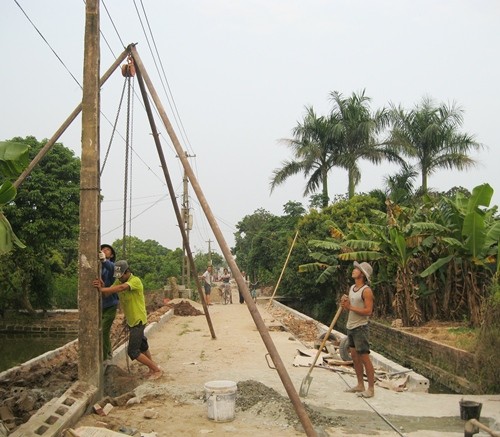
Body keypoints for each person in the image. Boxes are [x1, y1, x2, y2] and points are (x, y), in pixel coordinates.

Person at [93, 260, 162, 379]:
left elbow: (121, 288)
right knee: (143, 345)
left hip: (138, 320)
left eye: (121, 276)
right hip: (131, 320)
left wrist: (102, 289)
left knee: (133, 351)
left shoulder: (135, 281)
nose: (119, 279)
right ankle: (152, 368)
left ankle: (156, 370)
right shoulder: (119, 280)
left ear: (127, 272)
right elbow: (107, 293)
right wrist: (103, 286)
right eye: (118, 277)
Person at [341, 261, 375, 398]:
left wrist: (350, 308)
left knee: (365, 358)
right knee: (355, 357)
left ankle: (371, 388)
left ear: (362, 274)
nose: (354, 270)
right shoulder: (352, 288)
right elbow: (347, 306)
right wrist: (343, 302)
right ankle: (360, 384)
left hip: (360, 328)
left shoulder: (366, 291)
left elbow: (368, 311)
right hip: (351, 326)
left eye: (357, 269)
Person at [99, 244, 118, 361]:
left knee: (103, 330)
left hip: (110, 305)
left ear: (111, 255)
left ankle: (105, 357)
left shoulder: (112, 267)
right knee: (103, 332)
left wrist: (104, 260)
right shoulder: (99, 267)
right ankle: (108, 353)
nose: (104, 251)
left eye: (107, 250)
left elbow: (114, 269)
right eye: (102, 249)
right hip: (100, 305)